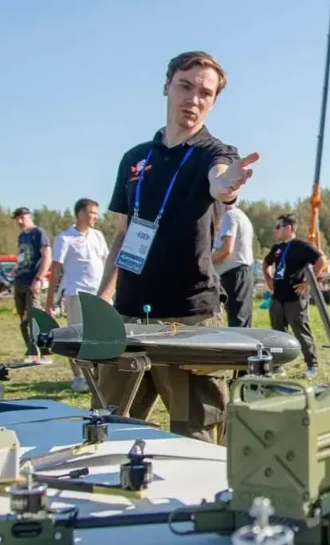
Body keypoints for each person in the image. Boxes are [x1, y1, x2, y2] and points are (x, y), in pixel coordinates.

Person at [95, 50, 258, 443]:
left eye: (206, 93)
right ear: (167, 86)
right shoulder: (135, 159)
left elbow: (220, 181)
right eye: (186, 86)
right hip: (130, 319)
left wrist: (225, 185)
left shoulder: (215, 154)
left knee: (196, 440)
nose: (194, 99)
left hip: (189, 321)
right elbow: (123, 232)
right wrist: (103, 296)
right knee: (107, 433)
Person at [46, 198, 109, 392]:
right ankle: (79, 377)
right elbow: (55, 270)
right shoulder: (65, 238)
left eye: (97, 213)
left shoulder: (98, 236)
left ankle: (98, 375)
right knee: (76, 337)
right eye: (92, 213)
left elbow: (107, 262)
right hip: (77, 294)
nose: (95, 217)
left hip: (100, 294)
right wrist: (50, 301)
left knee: (101, 336)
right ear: (81, 213)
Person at [262, 214, 326, 378]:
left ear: (288, 228)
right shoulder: (277, 248)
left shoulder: (301, 246)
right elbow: (266, 263)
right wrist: (268, 278)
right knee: (277, 334)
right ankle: (278, 365)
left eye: (278, 226)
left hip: (295, 298)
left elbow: (321, 260)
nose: (275, 230)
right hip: (278, 298)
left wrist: (308, 282)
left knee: (301, 332)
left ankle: (312, 365)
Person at [12, 207, 53, 365]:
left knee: (35, 318)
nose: (19, 221)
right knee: (23, 320)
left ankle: (45, 353)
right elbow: (22, 256)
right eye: (17, 218)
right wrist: (16, 269)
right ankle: (31, 352)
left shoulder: (39, 233)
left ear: (29, 216)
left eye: (21, 217)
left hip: (32, 281)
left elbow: (47, 257)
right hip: (20, 280)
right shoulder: (21, 236)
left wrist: (38, 278)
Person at [211, 200, 255, 327]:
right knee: (239, 322)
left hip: (235, 275)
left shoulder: (229, 215)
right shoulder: (238, 215)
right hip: (237, 274)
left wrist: (205, 261)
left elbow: (226, 249)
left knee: (238, 324)